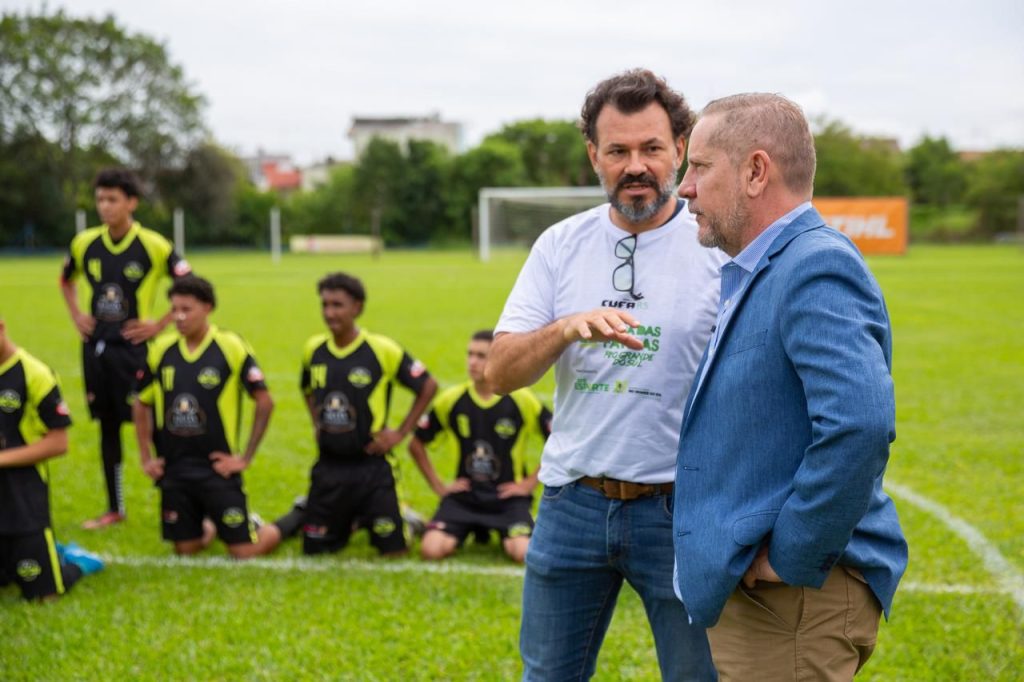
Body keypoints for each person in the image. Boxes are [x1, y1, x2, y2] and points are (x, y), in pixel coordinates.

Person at [485, 69, 724, 681]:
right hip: (572, 505)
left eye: (651, 148)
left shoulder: (719, 248)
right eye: (618, 150)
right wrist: (564, 327)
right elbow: (500, 373)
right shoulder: (559, 245)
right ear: (595, 155)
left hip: (681, 510)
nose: (635, 165)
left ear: (681, 148)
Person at [672, 93, 908, 681]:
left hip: (794, 604)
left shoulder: (813, 266)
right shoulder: (765, 266)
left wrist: (791, 554)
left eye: (699, 167)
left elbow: (859, 424)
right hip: (773, 604)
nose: (684, 187)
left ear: (755, 171)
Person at [60, 167, 191, 529]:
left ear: (131, 202)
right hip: (96, 349)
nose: (105, 206)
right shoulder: (84, 243)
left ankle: (176, 503)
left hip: (136, 351)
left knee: (153, 424)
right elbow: (65, 280)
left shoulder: (153, 245)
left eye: (112, 199)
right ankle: (115, 507)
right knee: (107, 427)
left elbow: (190, 284)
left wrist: (159, 324)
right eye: (100, 199)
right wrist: (77, 316)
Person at [132, 275, 283, 558]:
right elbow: (141, 402)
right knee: (185, 549)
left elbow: (264, 401)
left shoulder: (230, 346)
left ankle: (292, 520)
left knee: (243, 552)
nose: (178, 317)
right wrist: (146, 456)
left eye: (186, 309)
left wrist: (244, 458)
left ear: (208, 308)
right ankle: (211, 522)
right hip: (175, 469)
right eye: (174, 309)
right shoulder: (161, 350)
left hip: (217, 468)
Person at [296, 272, 437, 557]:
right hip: (329, 466)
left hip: (372, 466)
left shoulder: (381, 349)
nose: (329, 312)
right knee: (314, 550)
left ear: (357, 307)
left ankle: (403, 520)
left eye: (338, 305)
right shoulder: (314, 349)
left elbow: (428, 385)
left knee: (394, 552)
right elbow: (307, 388)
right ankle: (352, 517)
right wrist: (316, 423)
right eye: (325, 305)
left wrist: (398, 433)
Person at [409, 330, 552, 564]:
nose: (473, 362)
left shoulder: (522, 399)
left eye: (481, 356)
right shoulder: (451, 399)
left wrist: (528, 483)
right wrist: (438, 486)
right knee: (431, 550)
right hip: (464, 497)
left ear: (496, 359)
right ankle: (430, 524)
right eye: (470, 354)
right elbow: (416, 443)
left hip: (506, 498)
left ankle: (525, 525)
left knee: (523, 554)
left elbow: (557, 438)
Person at [0, 316, 105, 601]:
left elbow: (59, 443)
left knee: (44, 595)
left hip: (22, 500)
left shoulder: (33, 373)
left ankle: (77, 561)